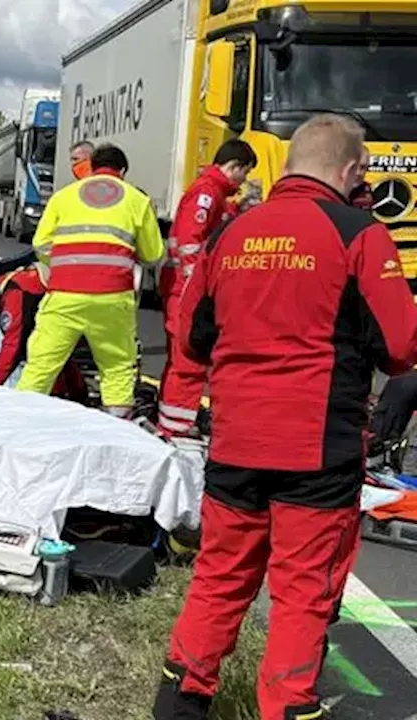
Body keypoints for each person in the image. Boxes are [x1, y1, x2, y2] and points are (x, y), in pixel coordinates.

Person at [152, 114, 417, 720]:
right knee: (303, 592)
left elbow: (192, 337)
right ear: (351, 171)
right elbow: (401, 347)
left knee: (219, 578)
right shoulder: (359, 233)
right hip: (316, 449)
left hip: (236, 442)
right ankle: (288, 709)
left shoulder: (230, 233)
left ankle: (179, 704)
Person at [14, 144, 165, 417]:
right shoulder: (136, 199)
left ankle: (21, 424)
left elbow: (41, 243)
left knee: (41, 365)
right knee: (117, 367)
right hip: (112, 297)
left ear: (92, 167)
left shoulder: (63, 197)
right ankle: (116, 429)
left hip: (64, 295)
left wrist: (65, 265)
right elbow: (153, 254)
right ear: (122, 171)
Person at [156, 139, 258, 437]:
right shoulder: (207, 193)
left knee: (180, 358)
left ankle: (171, 420)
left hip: (179, 286)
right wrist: (197, 287)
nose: (244, 180)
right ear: (234, 167)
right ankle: (176, 427)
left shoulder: (214, 193)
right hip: (184, 289)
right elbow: (191, 241)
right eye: (244, 173)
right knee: (189, 359)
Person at [0, 265, 88, 401]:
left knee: (40, 350)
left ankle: (63, 395)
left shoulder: (16, 292)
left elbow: (13, 346)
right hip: (88, 305)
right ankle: (77, 393)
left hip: (79, 315)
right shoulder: (20, 278)